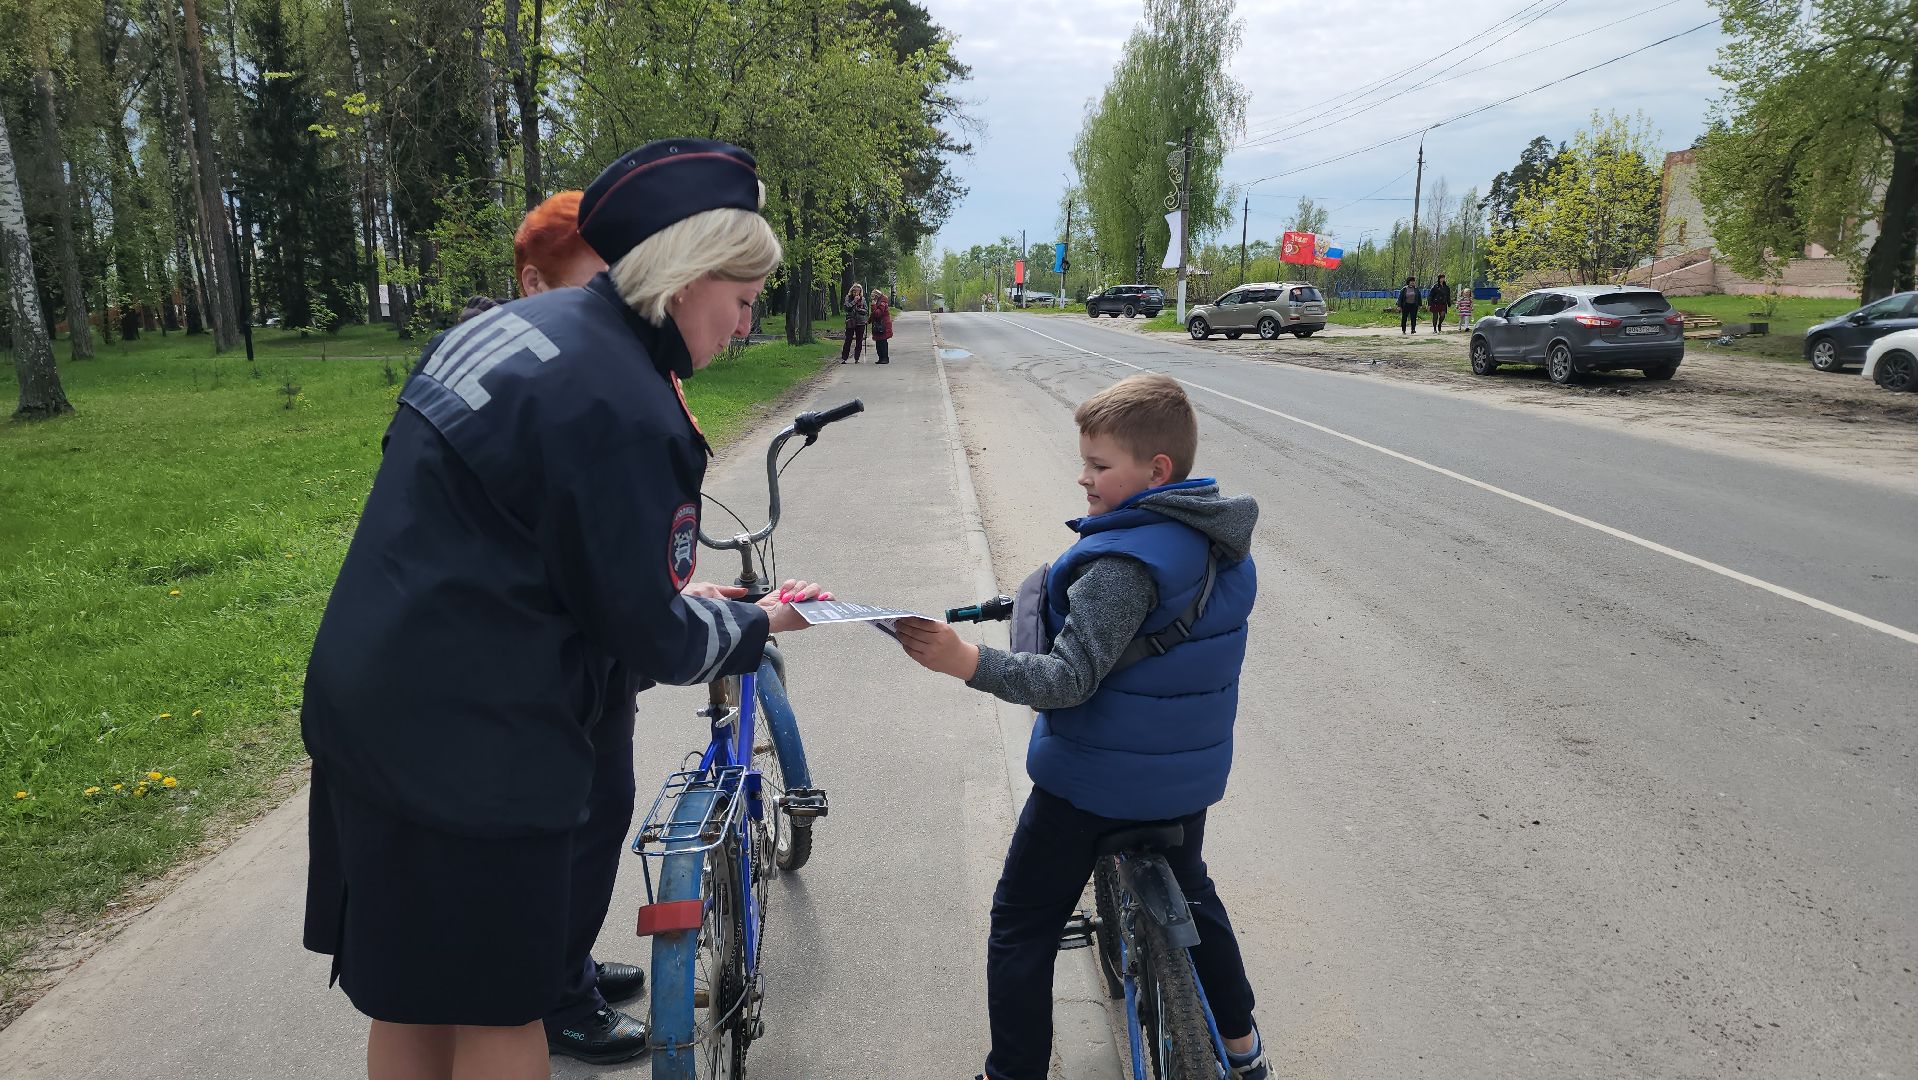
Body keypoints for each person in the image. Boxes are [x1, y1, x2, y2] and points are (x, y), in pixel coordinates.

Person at [300, 138, 829, 1080]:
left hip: (367, 707)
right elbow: (654, 637)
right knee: (505, 1010)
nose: (745, 327)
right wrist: (762, 622)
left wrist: (635, 581)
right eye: (743, 302)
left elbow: (492, 531)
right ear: (689, 277)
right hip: (482, 751)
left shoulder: (502, 331)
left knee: (411, 993)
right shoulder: (629, 402)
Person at [894, 373, 1268, 1080]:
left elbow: (1066, 682)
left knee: (1021, 926)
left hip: (1090, 789)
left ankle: (1013, 1073)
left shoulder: (1122, 566)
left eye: (1099, 466)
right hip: (1186, 780)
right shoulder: (1220, 547)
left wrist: (963, 660)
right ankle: (1245, 1051)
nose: (1083, 478)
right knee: (1195, 888)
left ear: (1156, 470)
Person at [840, 282, 869, 363]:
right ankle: (844, 358)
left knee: (859, 341)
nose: (856, 293)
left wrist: (859, 310)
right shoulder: (848, 298)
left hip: (860, 322)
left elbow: (866, 310)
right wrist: (854, 302)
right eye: (854, 291)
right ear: (852, 291)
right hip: (851, 321)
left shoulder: (863, 299)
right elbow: (846, 308)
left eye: (858, 291)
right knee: (848, 340)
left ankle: (857, 358)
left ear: (860, 291)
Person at [869, 289, 893, 365]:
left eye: (873, 296)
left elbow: (877, 313)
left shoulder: (882, 303)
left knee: (882, 342)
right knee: (879, 342)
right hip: (879, 325)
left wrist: (873, 305)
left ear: (876, 295)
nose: (871, 297)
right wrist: (869, 320)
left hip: (883, 325)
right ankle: (881, 358)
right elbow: (873, 314)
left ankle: (885, 358)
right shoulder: (878, 302)